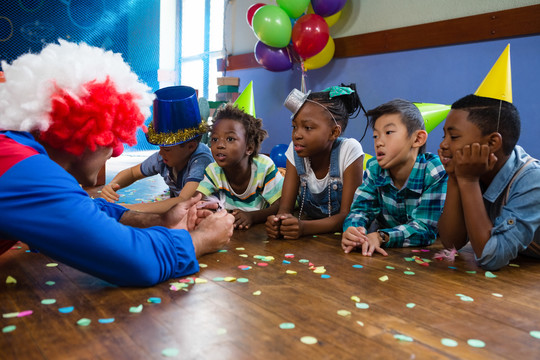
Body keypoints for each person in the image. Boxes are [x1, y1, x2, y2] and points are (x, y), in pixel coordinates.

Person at [0, 40, 234, 287]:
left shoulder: (15, 157)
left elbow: (76, 210)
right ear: (83, 128)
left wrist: (159, 220)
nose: (116, 151)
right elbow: (136, 261)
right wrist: (201, 239)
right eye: (111, 136)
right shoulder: (22, 168)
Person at [438, 95, 540, 269]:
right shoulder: (475, 172)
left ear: (492, 142)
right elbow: (451, 242)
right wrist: (455, 177)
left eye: (454, 137)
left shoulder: (532, 180)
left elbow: (491, 258)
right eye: (444, 135)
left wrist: (468, 181)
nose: (443, 145)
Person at [341, 99, 448, 256]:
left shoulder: (433, 171)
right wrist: (353, 230)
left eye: (388, 133)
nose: (379, 142)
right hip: (386, 256)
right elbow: (361, 209)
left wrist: (382, 237)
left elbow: (425, 228)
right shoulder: (374, 168)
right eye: (376, 136)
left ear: (417, 139)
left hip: (427, 256)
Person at [266, 84, 364, 239]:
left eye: (308, 127)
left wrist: (304, 228)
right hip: (313, 238)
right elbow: (285, 208)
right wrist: (279, 221)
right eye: (294, 127)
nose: (297, 134)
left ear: (334, 132)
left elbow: (348, 215)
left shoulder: (349, 150)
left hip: (347, 238)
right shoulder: (295, 150)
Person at [100, 85, 214, 211]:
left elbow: (184, 201)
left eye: (167, 149)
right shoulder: (165, 156)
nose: (161, 152)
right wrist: (112, 185)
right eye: (160, 147)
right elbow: (132, 173)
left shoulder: (201, 160)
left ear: (191, 146)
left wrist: (128, 209)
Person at [196, 103, 284, 229]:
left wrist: (252, 217)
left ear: (249, 148)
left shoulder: (263, 167)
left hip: (261, 232)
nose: (219, 145)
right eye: (215, 139)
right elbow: (197, 197)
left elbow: (280, 205)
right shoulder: (213, 170)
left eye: (230, 139)